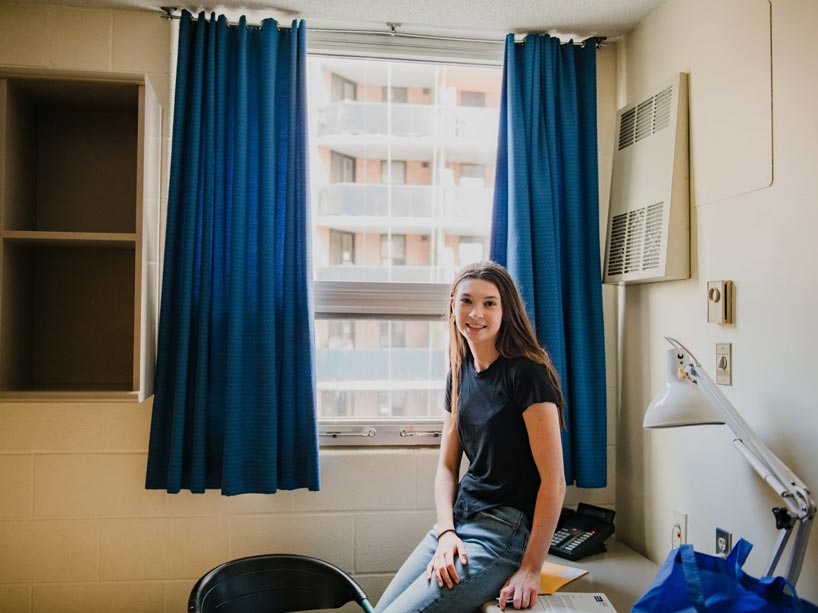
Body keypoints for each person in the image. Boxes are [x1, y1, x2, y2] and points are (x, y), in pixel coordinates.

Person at [375, 261, 567, 613]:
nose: (476, 313)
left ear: (506, 311)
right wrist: (446, 532)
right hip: (458, 522)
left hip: (501, 531)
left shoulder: (527, 374)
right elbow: (447, 468)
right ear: (452, 305)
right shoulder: (459, 372)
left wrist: (531, 569)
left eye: (490, 303)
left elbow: (554, 481)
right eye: (466, 301)